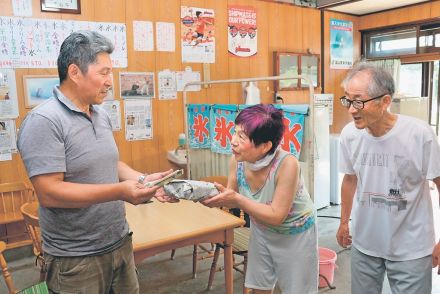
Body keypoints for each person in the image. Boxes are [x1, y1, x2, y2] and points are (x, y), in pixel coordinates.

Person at [17, 30, 175, 293]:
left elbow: (109, 163)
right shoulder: (44, 121)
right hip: (76, 258)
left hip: (119, 242)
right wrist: (121, 192)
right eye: (103, 73)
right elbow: (49, 193)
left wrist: (141, 179)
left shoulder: (99, 114)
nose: (110, 82)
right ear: (75, 72)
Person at [336, 62, 440, 294]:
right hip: (364, 244)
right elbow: (350, 179)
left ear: (385, 101)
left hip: (411, 248)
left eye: (359, 101)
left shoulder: (419, 134)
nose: (352, 109)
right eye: (348, 100)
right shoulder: (350, 135)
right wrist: (344, 221)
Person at [202, 104, 318, 293]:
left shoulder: (287, 164)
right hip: (262, 229)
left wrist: (237, 199)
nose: (233, 141)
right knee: (258, 287)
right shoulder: (237, 160)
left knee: (297, 290)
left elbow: (276, 215)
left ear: (265, 146)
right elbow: (229, 195)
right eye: (234, 132)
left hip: (294, 233)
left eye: (242, 137)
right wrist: (199, 193)